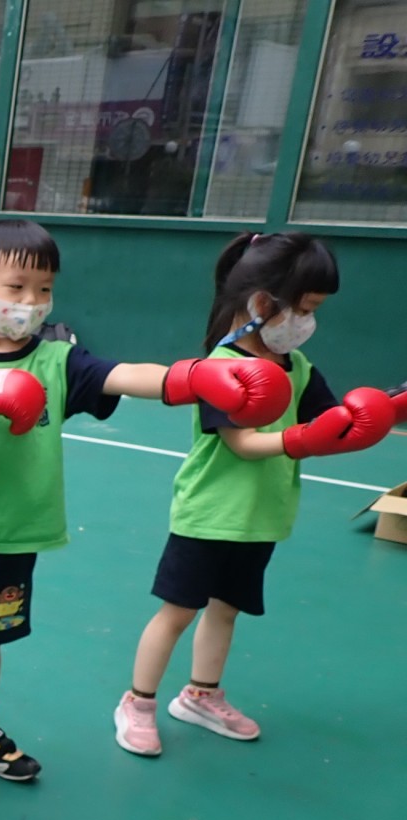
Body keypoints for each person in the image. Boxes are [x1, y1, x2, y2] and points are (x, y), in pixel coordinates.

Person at [0, 218, 292, 783]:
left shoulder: (58, 362)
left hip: (13, 535)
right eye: (16, 287)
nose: (31, 302)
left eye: (44, 288)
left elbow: (125, 376)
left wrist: (196, 378)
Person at [114, 233, 398, 755]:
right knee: (178, 612)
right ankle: (138, 703)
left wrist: (384, 412)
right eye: (304, 308)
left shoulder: (299, 366)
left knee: (226, 609)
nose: (308, 321)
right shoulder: (223, 370)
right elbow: (241, 443)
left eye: (316, 311)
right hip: (209, 514)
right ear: (263, 302)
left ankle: (201, 695)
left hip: (261, 516)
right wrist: (299, 440)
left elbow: (330, 421)